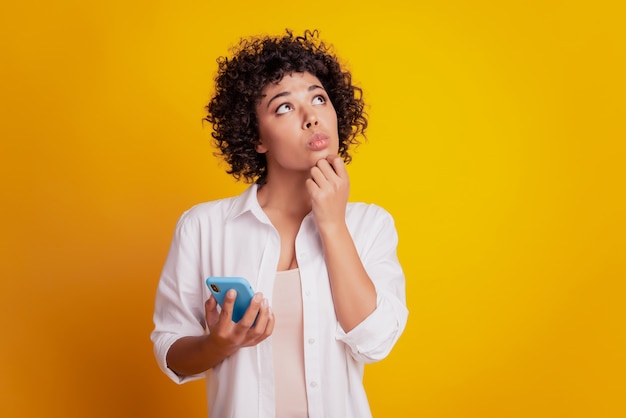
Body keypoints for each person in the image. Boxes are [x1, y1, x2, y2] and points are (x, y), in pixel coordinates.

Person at [150, 29, 408, 418]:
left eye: (318, 98)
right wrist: (219, 344)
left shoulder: (370, 225)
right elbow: (170, 350)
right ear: (257, 138)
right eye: (284, 107)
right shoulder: (202, 227)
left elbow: (374, 342)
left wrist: (333, 226)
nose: (311, 117)